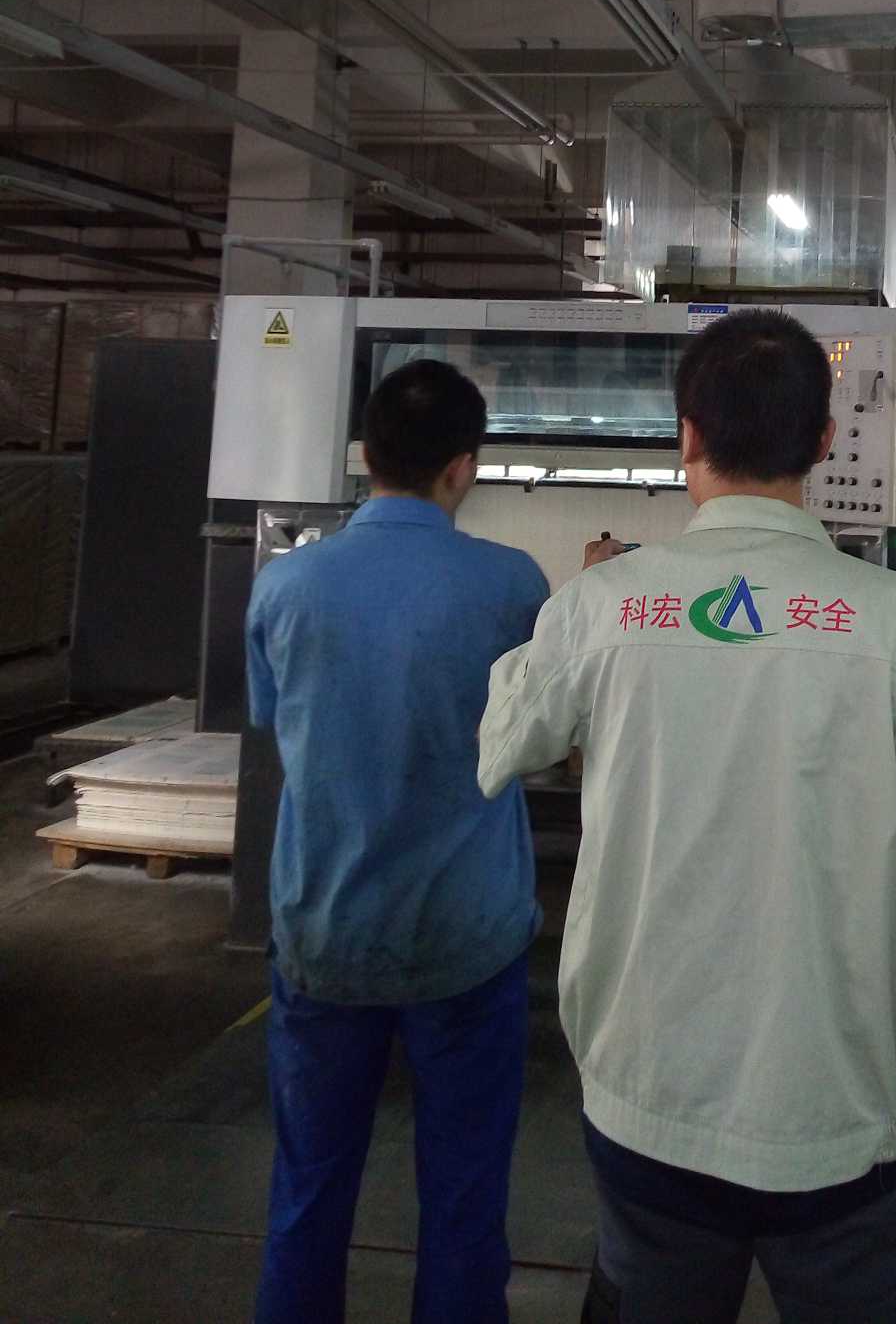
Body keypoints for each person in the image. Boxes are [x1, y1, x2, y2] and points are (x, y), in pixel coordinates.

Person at [479, 310, 896, 1324]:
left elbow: (504, 743)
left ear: (686, 434)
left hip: (652, 1104)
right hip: (849, 1126)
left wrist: (585, 607)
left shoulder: (604, 606)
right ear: (824, 442)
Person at [247, 358, 549, 1324]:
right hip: (467, 939)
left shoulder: (284, 586)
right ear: (464, 467)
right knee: (464, 1195)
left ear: (366, 455)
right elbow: (541, 741)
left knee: (308, 1188)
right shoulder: (512, 584)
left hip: (324, 932)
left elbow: (277, 721)